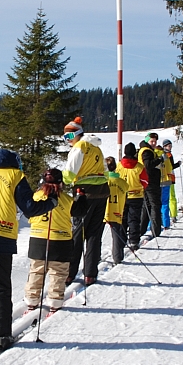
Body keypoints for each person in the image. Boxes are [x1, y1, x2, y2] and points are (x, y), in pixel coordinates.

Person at [0, 148, 56, 353]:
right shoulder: (15, 175)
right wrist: (50, 202)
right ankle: (3, 335)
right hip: (1, 235)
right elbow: (30, 208)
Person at [61, 118, 108, 286]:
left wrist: (63, 179)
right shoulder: (96, 147)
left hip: (83, 193)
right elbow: (106, 171)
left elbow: (70, 173)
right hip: (102, 192)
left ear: (77, 134)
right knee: (94, 235)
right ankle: (90, 274)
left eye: (69, 135)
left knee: (77, 233)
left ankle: (70, 273)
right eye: (65, 136)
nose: (68, 139)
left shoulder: (79, 147)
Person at [26, 169, 71, 315]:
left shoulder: (36, 196)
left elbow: (29, 216)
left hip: (38, 238)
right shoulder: (66, 199)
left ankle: (32, 300)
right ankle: (55, 301)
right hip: (60, 240)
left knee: (36, 270)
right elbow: (79, 212)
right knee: (58, 272)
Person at [115, 142, 147, 249]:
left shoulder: (119, 165)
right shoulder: (139, 167)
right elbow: (145, 182)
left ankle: (121, 240)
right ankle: (134, 240)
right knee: (134, 219)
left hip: (122, 195)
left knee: (122, 219)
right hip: (136, 196)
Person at [104, 156, 130, 264]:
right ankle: (117, 257)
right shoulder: (122, 182)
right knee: (116, 236)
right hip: (117, 211)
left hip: (103, 211)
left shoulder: (103, 181)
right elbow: (127, 188)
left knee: (96, 236)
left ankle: (95, 258)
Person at [138, 135, 163, 240]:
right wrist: (159, 160)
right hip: (150, 181)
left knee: (147, 205)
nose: (154, 143)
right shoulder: (147, 151)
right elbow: (148, 165)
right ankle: (156, 230)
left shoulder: (143, 150)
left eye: (155, 141)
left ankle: (142, 229)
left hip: (145, 181)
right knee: (155, 205)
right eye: (152, 141)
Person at [160, 139, 180, 229]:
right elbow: (171, 166)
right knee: (171, 197)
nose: (170, 147)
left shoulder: (161, 154)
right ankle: (173, 214)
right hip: (169, 178)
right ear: (164, 146)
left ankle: (170, 215)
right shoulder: (168, 155)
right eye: (168, 146)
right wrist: (178, 164)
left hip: (166, 178)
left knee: (168, 197)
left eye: (170, 145)